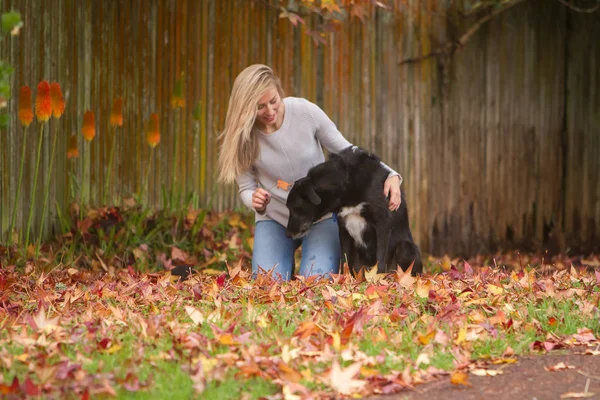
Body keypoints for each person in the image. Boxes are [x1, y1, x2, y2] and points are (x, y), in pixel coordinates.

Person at [217, 64, 402, 281]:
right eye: (260, 107)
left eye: (273, 101)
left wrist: (390, 174)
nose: (269, 111)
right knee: (267, 285)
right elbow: (246, 188)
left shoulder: (305, 112)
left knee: (315, 283)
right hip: (275, 217)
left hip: (320, 216)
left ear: (279, 91)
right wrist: (253, 199)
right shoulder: (243, 138)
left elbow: (347, 151)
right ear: (246, 108)